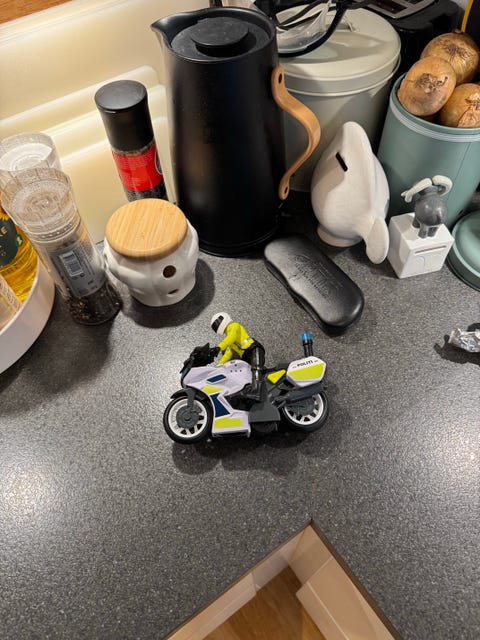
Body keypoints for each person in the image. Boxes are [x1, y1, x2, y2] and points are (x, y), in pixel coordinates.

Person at [211, 312, 265, 400]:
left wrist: (218, 347)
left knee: (256, 368)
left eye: (216, 324)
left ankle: (256, 390)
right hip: (246, 356)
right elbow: (228, 354)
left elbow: (231, 337)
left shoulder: (234, 325)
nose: (216, 326)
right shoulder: (229, 338)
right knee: (249, 373)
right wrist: (217, 367)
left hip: (253, 349)